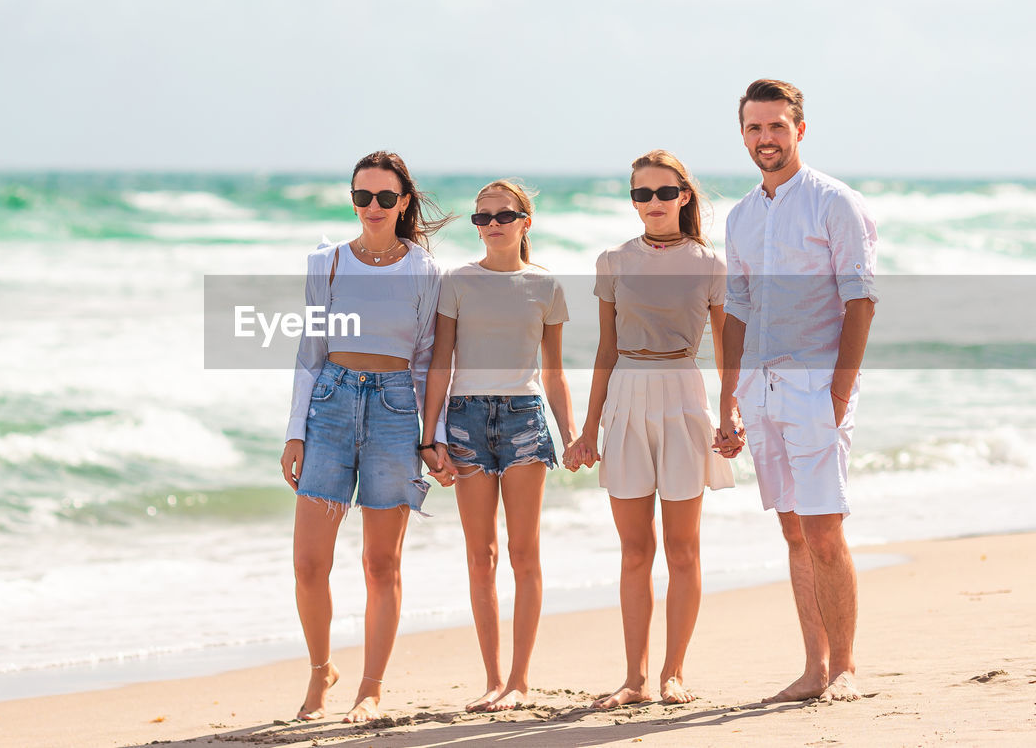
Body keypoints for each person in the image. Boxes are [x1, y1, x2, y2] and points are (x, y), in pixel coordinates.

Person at [716, 79, 877, 703]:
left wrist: (838, 394)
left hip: (816, 386)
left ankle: (845, 669)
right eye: (755, 129)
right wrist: (729, 397)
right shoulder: (739, 216)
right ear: (743, 135)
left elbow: (860, 300)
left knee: (824, 530)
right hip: (760, 387)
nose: (766, 139)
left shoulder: (835, 203)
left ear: (799, 130)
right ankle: (813, 669)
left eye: (777, 127)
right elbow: (737, 309)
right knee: (792, 532)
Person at [566, 150, 739, 709]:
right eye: (642, 194)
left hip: (684, 395)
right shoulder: (613, 261)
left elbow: (726, 346)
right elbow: (605, 349)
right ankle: (634, 679)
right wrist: (587, 428)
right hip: (626, 397)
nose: (654, 204)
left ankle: (674, 673)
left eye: (665, 193)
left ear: (684, 196)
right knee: (635, 551)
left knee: (683, 550)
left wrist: (730, 409)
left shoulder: (710, 265)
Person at [280, 151, 448, 723]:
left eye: (383, 197)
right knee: (308, 563)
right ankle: (320, 668)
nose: (371, 207)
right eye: (361, 197)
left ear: (403, 202)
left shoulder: (424, 270)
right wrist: (294, 431)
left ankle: (370, 688)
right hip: (328, 405)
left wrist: (433, 436)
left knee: (381, 564)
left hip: (395, 409)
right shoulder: (326, 263)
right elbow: (309, 352)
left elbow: (427, 359)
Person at [420, 179, 578, 712]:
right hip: (464, 422)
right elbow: (441, 362)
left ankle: (520, 679)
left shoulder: (546, 285)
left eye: (503, 216)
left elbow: (554, 374)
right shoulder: (456, 282)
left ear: (524, 223)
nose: (491, 226)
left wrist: (572, 433)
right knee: (480, 555)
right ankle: (491, 679)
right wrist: (430, 435)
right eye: (482, 218)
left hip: (524, 421)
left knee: (523, 552)